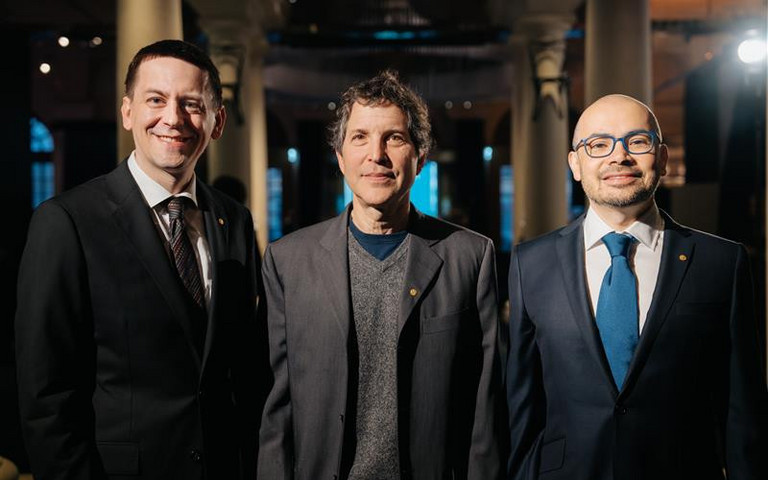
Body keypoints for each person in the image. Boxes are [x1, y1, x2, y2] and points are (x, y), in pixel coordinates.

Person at [15, 39, 268, 480]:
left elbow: (243, 369)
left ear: (217, 121)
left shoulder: (235, 221)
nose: (173, 118)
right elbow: (47, 398)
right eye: (156, 100)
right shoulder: (67, 223)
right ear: (128, 111)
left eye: (191, 104)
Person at [506, 94, 767, 480]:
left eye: (637, 142)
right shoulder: (531, 264)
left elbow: (743, 411)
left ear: (661, 157)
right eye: (598, 145)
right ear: (575, 164)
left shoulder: (721, 263)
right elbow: (522, 408)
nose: (619, 157)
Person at [257, 70, 504, 479]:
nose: (377, 155)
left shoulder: (470, 257)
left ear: (420, 157)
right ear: (340, 158)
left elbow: (486, 405)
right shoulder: (288, 261)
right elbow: (275, 409)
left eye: (394, 138)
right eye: (360, 137)